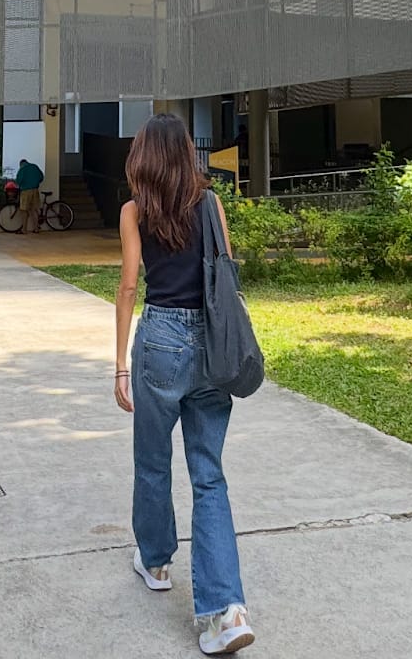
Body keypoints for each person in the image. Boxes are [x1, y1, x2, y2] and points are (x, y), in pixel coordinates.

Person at [114, 114, 254, 655]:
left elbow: (129, 286)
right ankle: (227, 610)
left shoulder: (134, 211)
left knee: (152, 461)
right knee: (209, 475)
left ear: (144, 158)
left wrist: (120, 365)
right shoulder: (211, 204)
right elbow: (226, 269)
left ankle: (155, 561)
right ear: (186, 157)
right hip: (212, 345)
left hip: (161, 341)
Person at [14, 157, 44, 234]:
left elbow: (18, 180)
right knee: (34, 210)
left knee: (24, 210)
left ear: (21, 164)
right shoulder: (35, 166)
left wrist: (21, 184)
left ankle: (24, 230)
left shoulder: (22, 169)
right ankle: (36, 228)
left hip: (26, 191)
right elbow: (41, 177)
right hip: (35, 190)